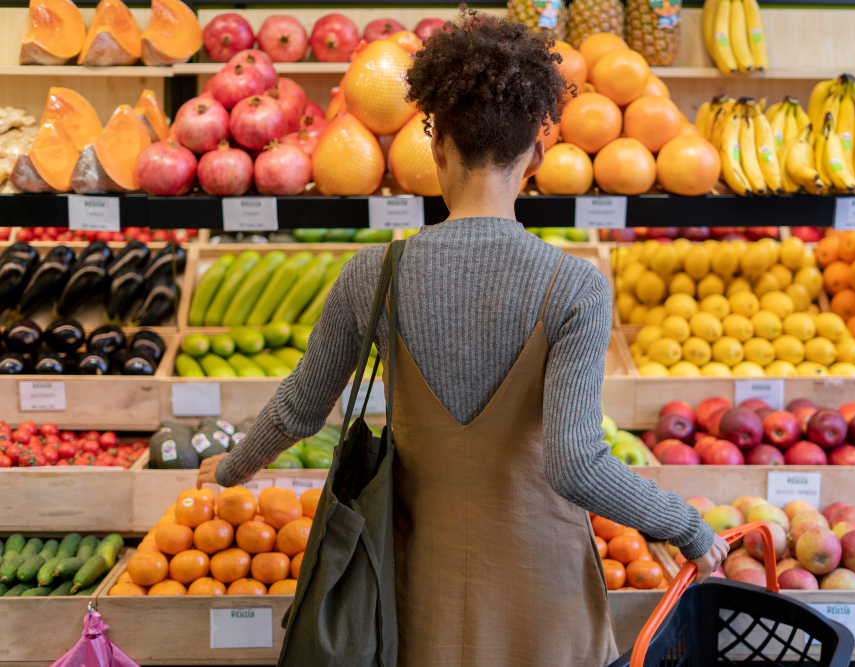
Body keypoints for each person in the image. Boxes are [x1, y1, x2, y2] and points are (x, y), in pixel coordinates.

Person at [198, 9, 727, 666]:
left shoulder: (374, 273)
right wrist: (687, 527)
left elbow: (301, 406)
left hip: (419, 597)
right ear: (537, 153)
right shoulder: (574, 286)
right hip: (545, 599)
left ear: (437, 143)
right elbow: (575, 463)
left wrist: (229, 467)